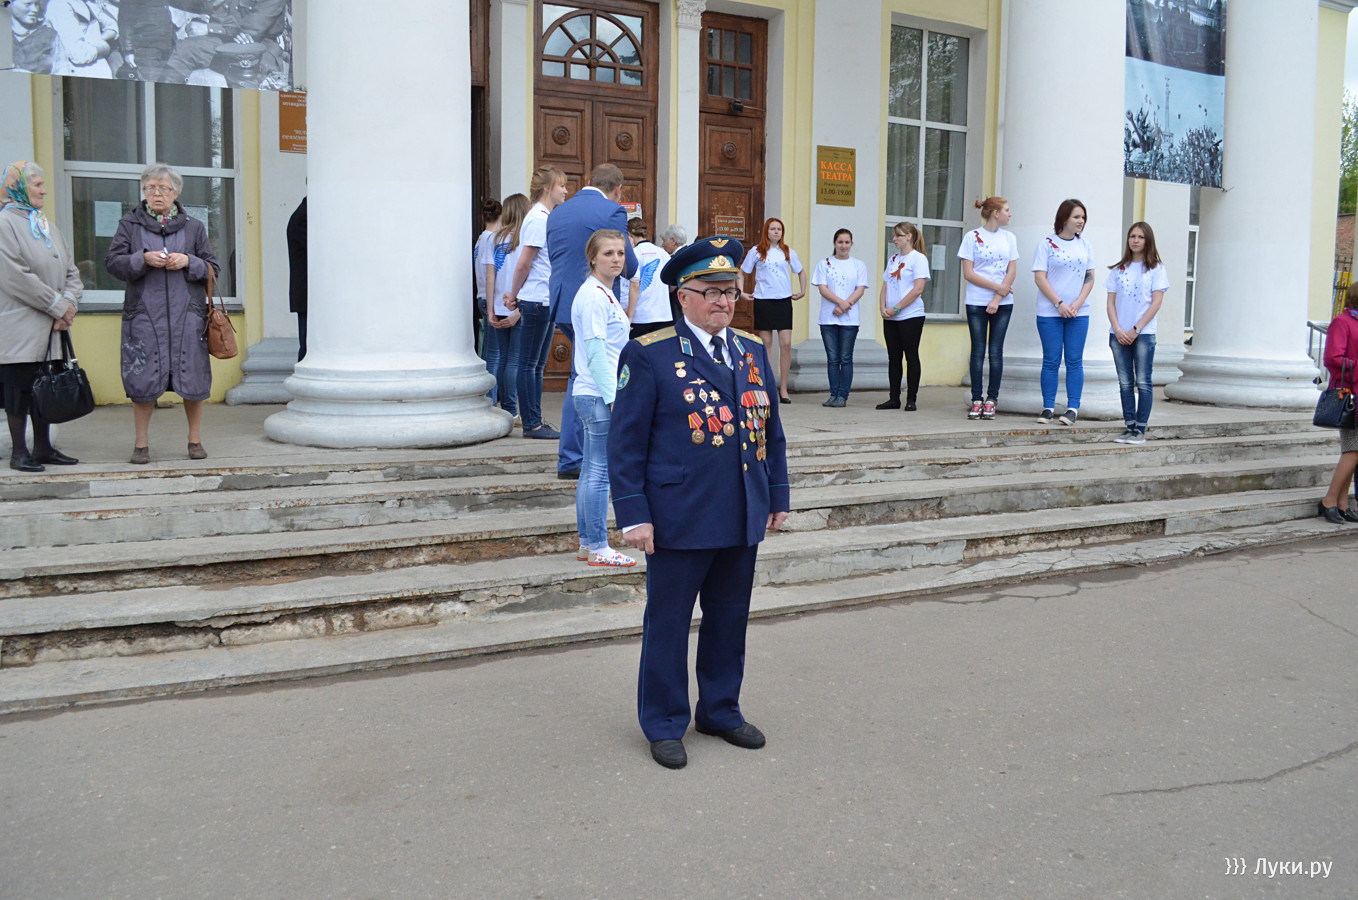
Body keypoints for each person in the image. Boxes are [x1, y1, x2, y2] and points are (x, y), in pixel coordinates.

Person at [609, 236, 790, 770]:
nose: (723, 302)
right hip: (678, 516)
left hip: (741, 509)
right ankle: (665, 722)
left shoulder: (750, 350)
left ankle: (720, 709)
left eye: (730, 291)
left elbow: (770, 432)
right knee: (668, 624)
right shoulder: (650, 353)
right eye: (711, 292)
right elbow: (625, 443)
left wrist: (776, 494)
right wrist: (634, 513)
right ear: (683, 296)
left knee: (729, 619)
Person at [105, 162, 220, 464]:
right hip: (144, 317)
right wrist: (142, 259)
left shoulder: (194, 227)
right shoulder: (129, 224)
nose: (157, 193)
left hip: (188, 318)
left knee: (193, 381)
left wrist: (188, 261)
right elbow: (113, 263)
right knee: (142, 382)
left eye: (164, 188)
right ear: (143, 191)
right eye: (150, 188)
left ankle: (194, 440)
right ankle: (141, 445)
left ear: (176, 192)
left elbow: (213, 269)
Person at [546, 164, 638, 479]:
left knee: (581, 372)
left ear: (588, 181)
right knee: (589, 372)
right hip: (595, 299)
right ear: (618, 189)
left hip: (562, 299)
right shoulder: (613, 210)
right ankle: (575, 456)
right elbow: (629, 265)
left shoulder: (558, 210)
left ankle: (576, 454)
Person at [0, 162, 81, 472]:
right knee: (19, 390)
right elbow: (15, 277)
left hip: (52, 326)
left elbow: (72, 271)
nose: (44, 190)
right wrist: (58, 307)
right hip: (20, 325)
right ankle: (19, 452)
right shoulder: (5, 223)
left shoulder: (45, 224)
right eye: (37, 184)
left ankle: (44, 448)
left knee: (45, 386)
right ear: (18, 187)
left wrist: (69, 302)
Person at [570, 229, 636, 568]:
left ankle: (588, 543)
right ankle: (597, 545)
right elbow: (596, 353)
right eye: (608, 253)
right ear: (593, 258)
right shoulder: (595, 296)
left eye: (620, 253)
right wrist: (614, 399)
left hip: (592, 392)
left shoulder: (601, 292)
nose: (616, 259)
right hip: (599, 395)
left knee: (591, 470)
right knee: (599, 472)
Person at [504, 165, 569, 441]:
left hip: (543, 297)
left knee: (536, 365)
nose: (565, 190)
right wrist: (513, 294)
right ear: (546, 188)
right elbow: (524, 263)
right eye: (561, 185)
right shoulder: (538, 219)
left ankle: (535, 420)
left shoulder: (544, 217)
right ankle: (531, 424)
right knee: (529, 364)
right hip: (536, 299)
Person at [1032, 198, 1095, 425]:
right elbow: (1040, 278)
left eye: (1083, 217)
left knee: (1074, 360)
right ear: (1064, 218)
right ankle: (1048, 407)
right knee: (1051, 360)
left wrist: (1077, 303)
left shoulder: (1085, 245)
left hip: (1078, 314)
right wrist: (1059, 304)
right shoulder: (1046, 244)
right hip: (1050, 313)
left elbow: (1090, 276)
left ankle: (1072, 409)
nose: (1081, 221)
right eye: (1076, 217)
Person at [1106, 222, 1169, 444]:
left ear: (1147, 240)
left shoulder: (1156, 269)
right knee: (1125, 382)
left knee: (1143, 381)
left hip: (1143, 334)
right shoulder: (1118, 270)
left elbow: (1156, 303)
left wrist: (1136, 329)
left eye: (1140, 237)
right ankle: (1129, 426)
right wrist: (1118, 329)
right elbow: (1110, 303)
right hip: (1119, 334)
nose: (1135, 240)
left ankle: (1140, 429)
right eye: (1132, 236)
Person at [959, 196, 1019, 420]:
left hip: (1002, 303)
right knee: (977, 351)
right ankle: (977, 399)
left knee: (995, 351)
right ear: (996, 213)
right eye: (1007, 210)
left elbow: (1011, 271)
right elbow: (969, 273)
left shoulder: (1009, 238)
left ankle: (992, 400)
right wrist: (997, 288)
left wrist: (997, 298)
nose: (1009, 214)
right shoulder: (972, 237)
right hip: (976, 301)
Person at [739, 217, 807, 404]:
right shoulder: (757, 251)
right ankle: (768, 386)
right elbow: (742, 272)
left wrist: (802, 291)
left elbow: (801, 271)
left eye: (779, 229)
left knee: (786, 343)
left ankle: (783, 388)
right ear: (766, 231)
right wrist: (741, 292)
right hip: (763, 300)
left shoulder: (788, 251)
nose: (776, 232)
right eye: (772, 229)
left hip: (783, 301)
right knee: (766, 343)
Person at [812, 229, 869, 408]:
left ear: (851, 244)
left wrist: (845, 305)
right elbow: (823, 288)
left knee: (845, 358)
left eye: (847, 242)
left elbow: (860, 289)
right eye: (840, 242)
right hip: (828, 319)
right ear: (834, 243)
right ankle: (833, 393)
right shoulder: (824, 264)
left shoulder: (858, 265)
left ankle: (843, 395)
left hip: (849, 320)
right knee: (832, 359)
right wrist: (840, 303)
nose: (843, 246)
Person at [165, 0, 286, 84]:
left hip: (260, 47)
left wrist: (209, 28)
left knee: (244, 74)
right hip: (226, 41)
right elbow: (205, 7)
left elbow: (252, 29)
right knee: (185, 48)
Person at [877, 222, 930, 412]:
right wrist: (883, 307)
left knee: (911, 356)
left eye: (898, 235)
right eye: (894, 235)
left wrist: (896, 308)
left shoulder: (918, 258)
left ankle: (911, 399)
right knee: (894, 358)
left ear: (909, 236)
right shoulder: (893, 259)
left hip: (911, 316)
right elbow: (885, 285)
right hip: (890, 317)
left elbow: (918, 289)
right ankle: (894, 398)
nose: (894, 239)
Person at [486, 193, 530, 423]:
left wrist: (490, 309)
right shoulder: (526, 240)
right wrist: (518, 311)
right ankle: (512, 409)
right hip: (519, 305)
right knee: (515, 360)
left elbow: (490, 275)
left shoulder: (494, 238)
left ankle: (496, 406)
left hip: (498, 305)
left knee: (501, 359)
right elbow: (529, 274)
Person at [1318, 283, 1358, 524]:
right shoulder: (1342, 322)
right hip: (1350, 395)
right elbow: (1333, 358)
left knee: (1354, 451)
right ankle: (1329, 499)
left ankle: (1342, 502)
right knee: (1353, 450)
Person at [625, 218, 673, 339]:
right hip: (663, 314)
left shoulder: (634, 253)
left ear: (629, 234)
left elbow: (634, 284)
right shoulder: (663, 253)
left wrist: (629, 315)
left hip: (641, 315)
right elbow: (672, 282)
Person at [472, 197, 502, 364]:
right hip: (491, 297)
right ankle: (492, 382)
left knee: (489, 348)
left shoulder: (481, 239)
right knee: (495, 352)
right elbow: (492, 272)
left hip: (482, 295)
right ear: (501, 216)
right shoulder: (493, 239)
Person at [10, 0, 73, 75]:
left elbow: (62, 70)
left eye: (36, 4)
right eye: (28, 4)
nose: (35, 9)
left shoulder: (49, 36)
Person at [286, 195, 306, 361]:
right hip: (309, 297)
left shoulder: (305, 214)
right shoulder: (304, 218)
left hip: (310, 297)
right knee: (309, 350)